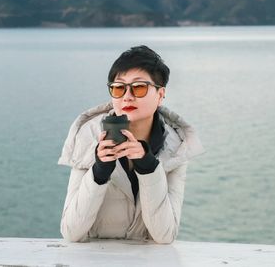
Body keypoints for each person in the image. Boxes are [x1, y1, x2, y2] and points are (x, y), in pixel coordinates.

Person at [58, 45, 204, 243]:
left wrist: (149, 167)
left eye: (139, 87)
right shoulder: (88, 136)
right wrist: (99, 172)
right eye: (119, 87)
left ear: (160, 95)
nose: (127, 96)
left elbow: (164, 235)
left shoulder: (177, 147)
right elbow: (71, 232)